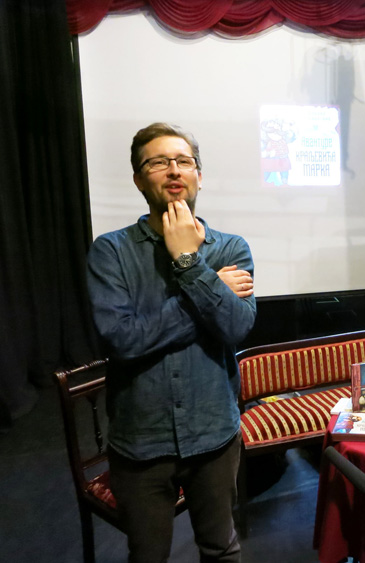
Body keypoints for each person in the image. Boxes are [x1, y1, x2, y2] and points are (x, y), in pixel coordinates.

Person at [87, 123, 257, 562]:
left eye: (184, 161)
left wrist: (187, 262)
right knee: (148, 556)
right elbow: (123, 340)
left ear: (199, 175)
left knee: (221, 548)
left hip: (214, 435)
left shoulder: (230, 249)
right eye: (158, 162)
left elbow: (236, 328)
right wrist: (209, 291)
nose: (174, 170)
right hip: (141, 441)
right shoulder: (111, 252)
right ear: (139, 180)